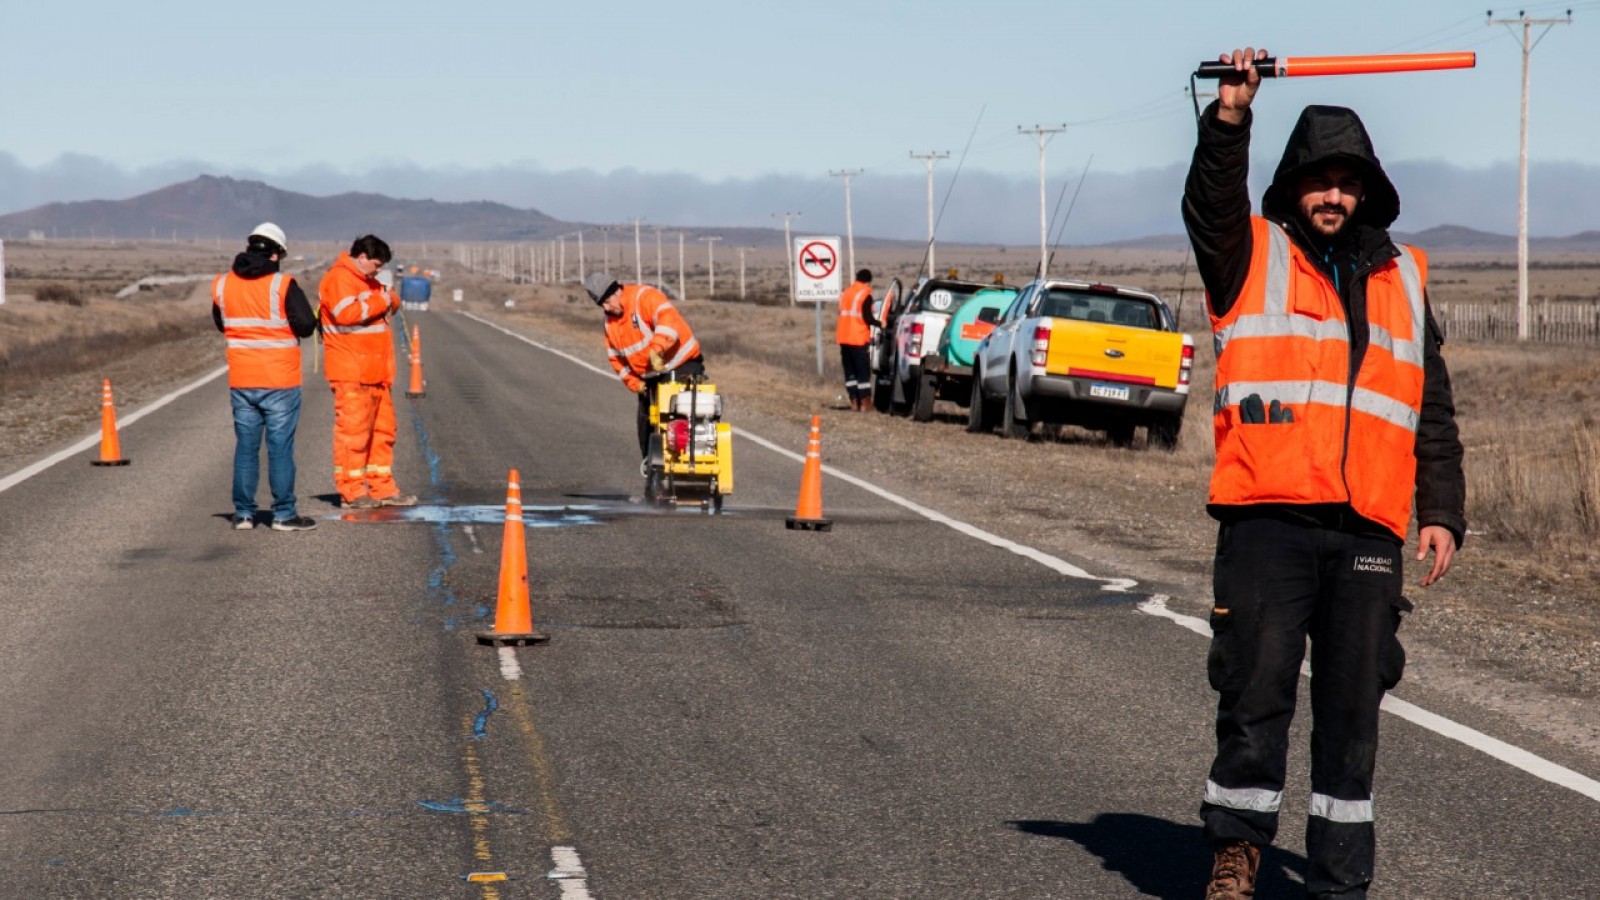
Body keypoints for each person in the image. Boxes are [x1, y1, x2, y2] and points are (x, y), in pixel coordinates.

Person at [1184, 48, 1466, 900]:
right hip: (1268, 517)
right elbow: (1209, 202)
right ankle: (1236, 852)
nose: (1332, 195)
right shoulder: (1250, 253)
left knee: (1354, 716)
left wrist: (1442, 508)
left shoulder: (1405, 277)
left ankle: (1340, 882)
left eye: (1346, 182)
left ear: (1368, 191)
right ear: (1292, 187)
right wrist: (1231, 116)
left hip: (1369, 528)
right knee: (1256, 693)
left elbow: (1433, 408)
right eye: (1317, 180)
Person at [212, 223, 319, 531]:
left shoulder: (222, 284)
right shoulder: (282, 284)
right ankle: (284, 515)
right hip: (279, 380)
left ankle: (244, 514)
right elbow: (306, 327)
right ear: (276, 254)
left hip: (242, 379)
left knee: (246, 447)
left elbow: (223, 323)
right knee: (279, 448)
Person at [318, 234, 417, 509]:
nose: (378, 269)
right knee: (354, 434)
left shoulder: (368, 281)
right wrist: (381, 300)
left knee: (383, 432)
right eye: (375, 264)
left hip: (376, 372)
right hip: (352, 371)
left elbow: (392, 303)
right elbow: (346, 314)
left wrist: (386, 297)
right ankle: (352, 491)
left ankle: (381, 487)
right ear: (361, 257)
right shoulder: (339, 279)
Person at [583, 273, 705, 458]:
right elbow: (616, 360)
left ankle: (696, 457)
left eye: (607, 301)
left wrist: (657, 350)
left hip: (682, 364)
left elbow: (668, 321)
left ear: (616, 291)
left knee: (682, 412)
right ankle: (651, 467)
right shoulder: (610, 324)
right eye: (602, 305)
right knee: (647, 422)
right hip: (649, 378)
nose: (606, 308)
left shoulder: (645, 297)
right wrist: (635, 383)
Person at [835, 268, 875, 411]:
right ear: (869, 281)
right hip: (858, 338)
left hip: (844, 338)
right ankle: (865, 403)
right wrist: (879, 323)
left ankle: (853, 401)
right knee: (863, 372)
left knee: (849, 371)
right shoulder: (865, 294)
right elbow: (867, 318)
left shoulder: (846, 293)